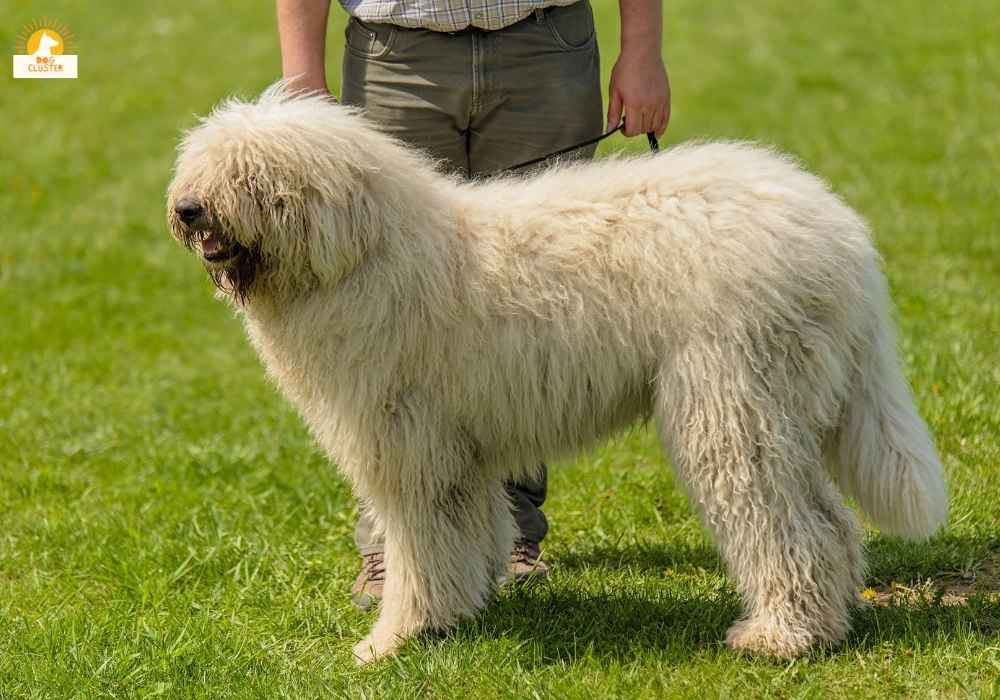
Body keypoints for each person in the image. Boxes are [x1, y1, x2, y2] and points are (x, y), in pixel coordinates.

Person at [276, 0, 670, 610]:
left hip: (545, 49)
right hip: (396, 55)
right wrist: (302, 76)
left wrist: (642, 49)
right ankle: (391, 546)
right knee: (379, 321)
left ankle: (510, 532)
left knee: (534, 303)